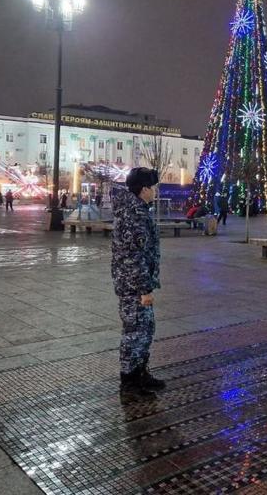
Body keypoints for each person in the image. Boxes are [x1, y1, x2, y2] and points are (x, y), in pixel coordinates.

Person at [112, 167, 165, 398]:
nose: (154, 192)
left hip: (136, 283)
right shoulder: (133, 215)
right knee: (135, 331)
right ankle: (130, 380)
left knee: (145, 329)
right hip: (134, 286)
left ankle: (140, 372)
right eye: (152, 188)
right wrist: (144, 289)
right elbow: (134, 256)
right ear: (144, 190)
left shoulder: (138, 210)